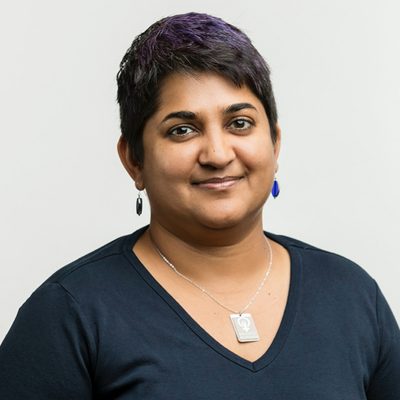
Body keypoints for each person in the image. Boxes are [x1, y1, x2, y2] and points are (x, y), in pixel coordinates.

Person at [0, 11, 399, 399]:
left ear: (275, 143)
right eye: (182, 130)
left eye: (239, 123)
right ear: (134, 160)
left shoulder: (351, 295)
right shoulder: (70, 313)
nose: (218, 154)